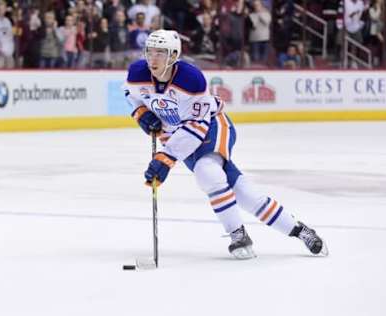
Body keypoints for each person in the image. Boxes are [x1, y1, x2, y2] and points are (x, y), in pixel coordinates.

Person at [124, 29, 329, 259]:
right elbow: (131, 95)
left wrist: (167, 157)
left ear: (173, 55)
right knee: (245, 195)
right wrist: (140, 113)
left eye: (160, 53)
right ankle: (300, 230)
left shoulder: (191, 79)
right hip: (177, 137)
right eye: (150, 52)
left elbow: (197, 126)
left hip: (211, 126)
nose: (153, 58)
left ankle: (238, 234)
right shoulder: (137, 73)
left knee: (207, 172)